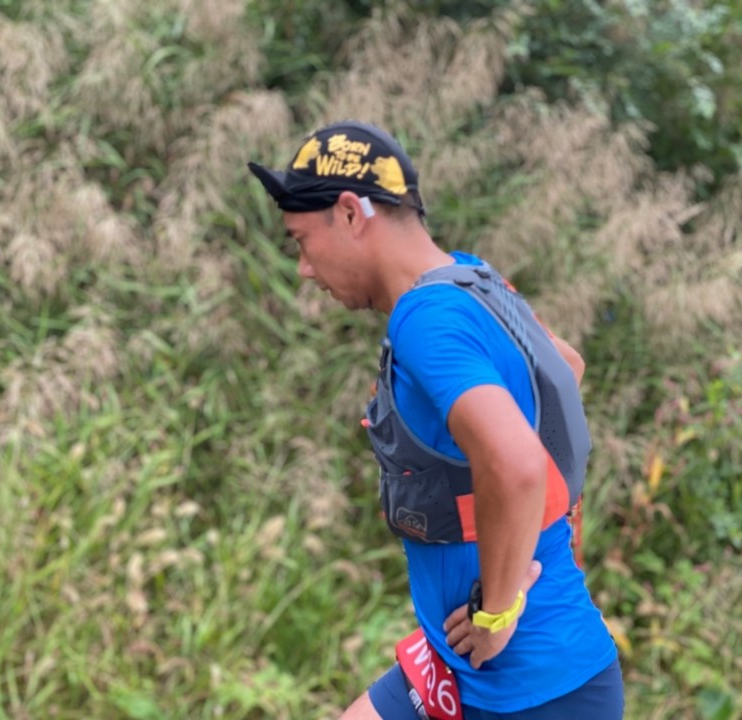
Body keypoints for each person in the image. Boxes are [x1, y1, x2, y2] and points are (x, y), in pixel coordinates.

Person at [249, 120, 624, 720]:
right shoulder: (474, 280)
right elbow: (565, 369)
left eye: (302, 241)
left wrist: (498, 610)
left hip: (530, 688)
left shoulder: (426, 320)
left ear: (350, 213)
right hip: (456, 663)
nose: (304, 269)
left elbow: (517, 464)